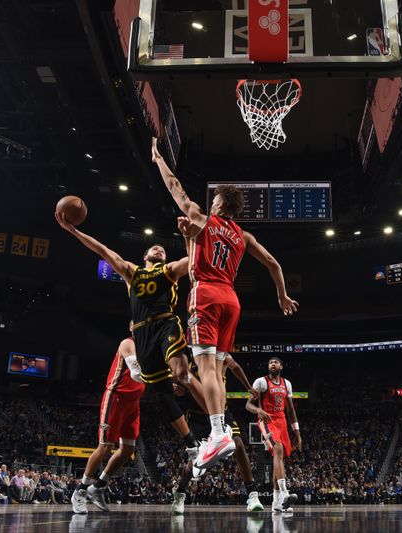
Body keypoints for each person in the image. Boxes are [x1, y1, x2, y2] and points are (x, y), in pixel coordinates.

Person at [152, 137, 299, 474]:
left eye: (214, 198)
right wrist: (281, 295)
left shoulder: (201, 217)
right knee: (216, 370)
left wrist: (158, 158)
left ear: (219, 205)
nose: (211, 201)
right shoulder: (243, 236)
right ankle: (218, 433)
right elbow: (274, 264)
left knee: (203, 369)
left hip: (204, 294)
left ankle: (218, 432)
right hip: (231, 300)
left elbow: (175, 187)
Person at [55, 212, 209, 418]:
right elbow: (102, 250)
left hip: (165, 323)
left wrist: (188, 236)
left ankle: (220, 424)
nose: (159, 249)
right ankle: (192, 444)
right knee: (160, 390)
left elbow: (194, 262)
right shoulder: (131, 272)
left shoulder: (169, 270)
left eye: (162, 250)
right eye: (154, 248)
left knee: (183, 374)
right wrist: (72, 230)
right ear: (145, 257)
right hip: (142, 333)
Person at [171, 353, 264, 514]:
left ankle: (252, 495)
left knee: (238, 444)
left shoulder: (219, 356)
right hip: (197, 416)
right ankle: (179, 494)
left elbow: (235, 366)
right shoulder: (185, 360)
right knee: (194, 462)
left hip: (221, 412)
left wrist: (248, 386)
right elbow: (169, 379)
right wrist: (172, 386)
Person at [72, 335, 145, 514]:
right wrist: (163, 381)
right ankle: (80, 490)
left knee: (128, 450)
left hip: (133, 403)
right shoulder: (128, 343)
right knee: (105, 447)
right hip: (116, 397)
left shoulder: (147, 346)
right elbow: (137, 374)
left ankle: (98, 486)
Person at [246, 357, 301, 513]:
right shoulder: (261, 382)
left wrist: (297, 433)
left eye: (276, 362)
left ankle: (277, 502)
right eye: (270, 362)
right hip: (267, 420)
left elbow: (291, 411)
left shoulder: (286, 384)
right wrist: (259, 410)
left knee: (280, 459)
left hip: (282, 422)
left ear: (281, 367)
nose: (272, 364)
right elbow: (248, 404)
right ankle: (284, 493)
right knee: (277, 449)